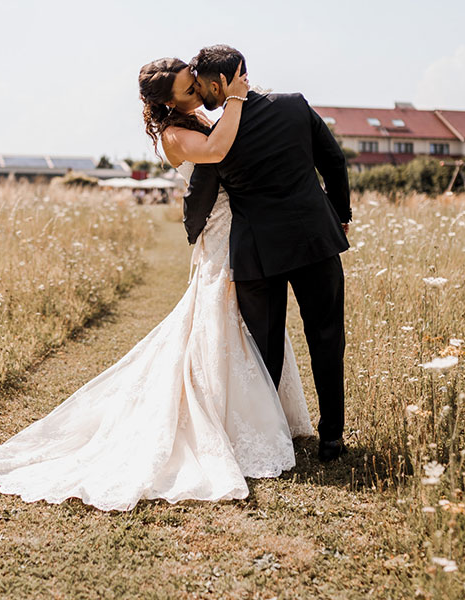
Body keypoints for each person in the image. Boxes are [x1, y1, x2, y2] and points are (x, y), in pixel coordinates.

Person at [0, 56, 313, 512]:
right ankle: (230, 421)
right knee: (222, 317)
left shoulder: (195, 116)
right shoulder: (175, 134)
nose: (197, 92)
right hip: (221, 235)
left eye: (195, 83)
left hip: (243, 227)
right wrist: (235, 98)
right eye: (187, 89)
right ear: (166, 102)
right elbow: (217, 152)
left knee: (249, 320)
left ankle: (262, 413)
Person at [183, 45, 352, 462]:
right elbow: (334, 162)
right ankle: (331, 438)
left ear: (221, 82)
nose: (200, 93)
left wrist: (196, 233)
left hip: (258, 253)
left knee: (264, 349)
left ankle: (274, 438)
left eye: (202, 85)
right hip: (315, 240)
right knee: (327, 338)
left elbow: (197, 198)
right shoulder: (295, 106)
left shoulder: (216, 137)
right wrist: (340, 214)